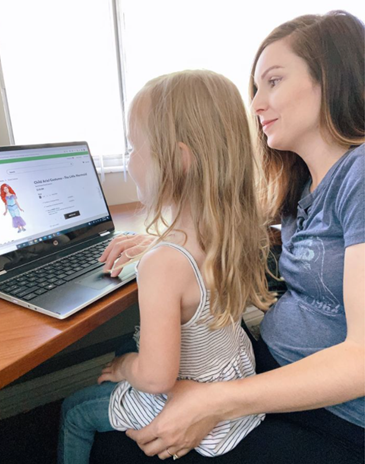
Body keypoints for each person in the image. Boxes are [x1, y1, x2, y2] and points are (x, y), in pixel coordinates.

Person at [91, 10, 365, 464]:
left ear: (334, 79)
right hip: (275, 361)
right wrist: (168, 245)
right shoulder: (303, 182)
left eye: (273, 81)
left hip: (336, 412)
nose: (255, 104)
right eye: (255, 87)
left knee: (124, 445)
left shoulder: (359, 174)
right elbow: (234, 226)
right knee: (132, 355)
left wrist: (216, 400)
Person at [57, 69, 277, 463]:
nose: (129, 163)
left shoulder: (163, 264)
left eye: (134, 149)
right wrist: (156, 245)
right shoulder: (234, 227)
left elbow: (158, 377)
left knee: (74, 411)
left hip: (183, 401)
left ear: (178, 160)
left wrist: (125, 367)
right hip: (231, 378)